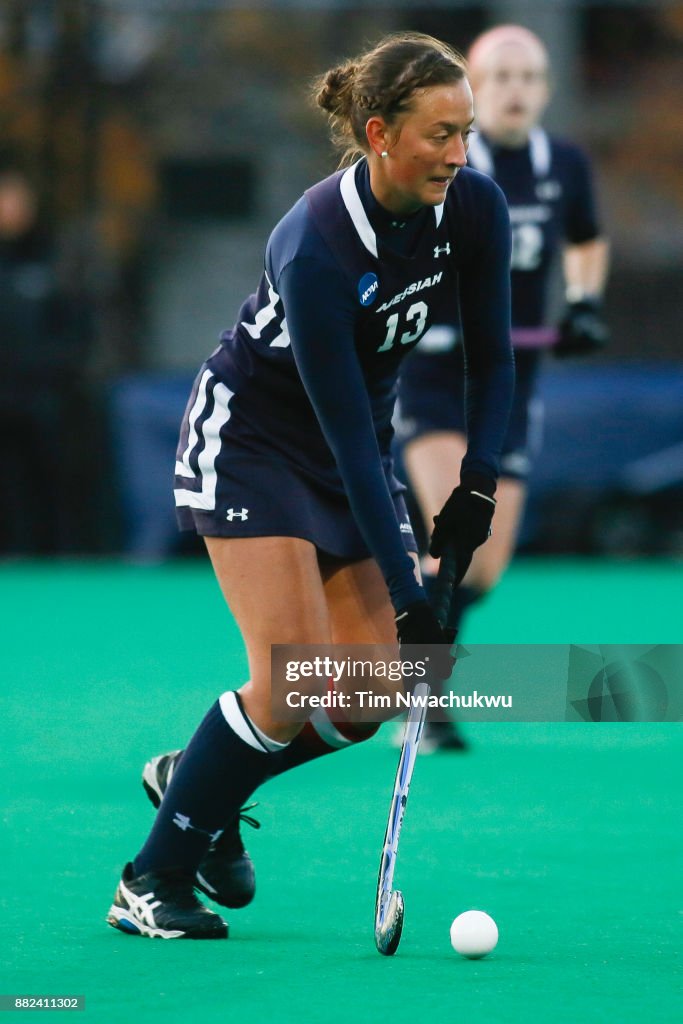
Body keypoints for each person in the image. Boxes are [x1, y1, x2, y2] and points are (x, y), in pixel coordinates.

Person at [107, 31, 515, 940]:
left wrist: (476, 482)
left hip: (352, 447)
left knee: (363, 699)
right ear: (378, 132)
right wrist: (410, 596)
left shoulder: (473, 207)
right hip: (253, 441)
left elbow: (492, 362)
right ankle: (149, 876)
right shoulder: (316, 248)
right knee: (288, 681)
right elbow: (335, 429)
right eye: (439, 134)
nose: (458, 153)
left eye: (465, 133)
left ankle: (198, 778)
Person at [395, 25, 610, 752]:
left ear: (544, 90)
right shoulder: (446, 166)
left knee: (482, 565)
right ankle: (419, 697)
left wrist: (581, 303)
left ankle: (404, 635)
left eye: (529, 78)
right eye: (500, 78)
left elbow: (584, 238)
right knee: (452, 530)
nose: (515, 91)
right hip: (431, 377)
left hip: (509, 379)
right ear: (474, 94)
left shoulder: (565, 165)